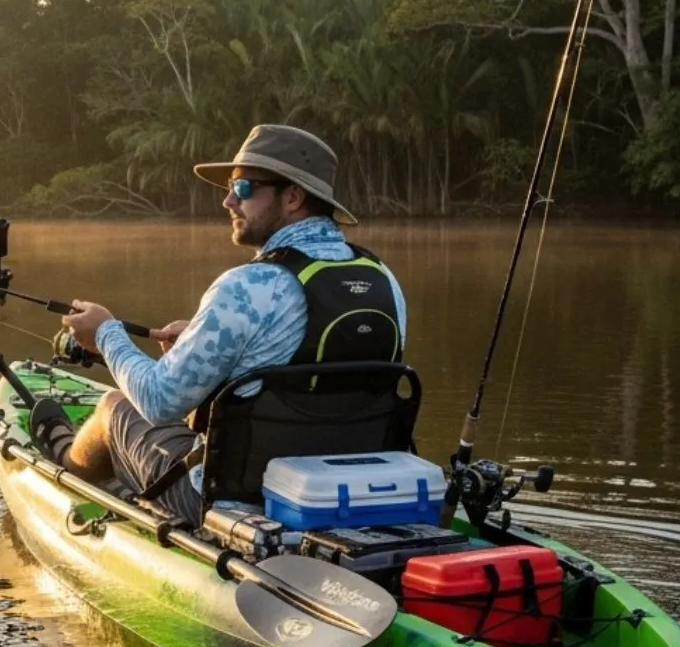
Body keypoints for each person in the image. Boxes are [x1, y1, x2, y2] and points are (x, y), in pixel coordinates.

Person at [31, 124, 407, 525]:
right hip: (347, 494)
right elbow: (314, 362)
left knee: (113, 408)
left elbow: (159, 403)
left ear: (293, 197)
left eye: (243, 188)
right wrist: (200, 334)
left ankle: (68, 461)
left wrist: (104, 334)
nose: (228, 200)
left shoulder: (247, 285)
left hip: (235, 506)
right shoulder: (384, 279)